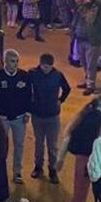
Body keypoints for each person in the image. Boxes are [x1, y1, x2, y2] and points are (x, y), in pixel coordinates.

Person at [58, 95, 101, 202]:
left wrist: (60, 159)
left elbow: (68, 136)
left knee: (79, 192)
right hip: (95, 159)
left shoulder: (83, 116)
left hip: (82, 159)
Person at [0, 49, 31, 184]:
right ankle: (0, 172)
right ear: (5, 61)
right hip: (2, 118)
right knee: (1, 145)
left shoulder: (24, 75)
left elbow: (29, 95)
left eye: (17, 61)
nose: (16, 64)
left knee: (19, 145)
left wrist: (28, 112)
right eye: (12, 61)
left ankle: (17, 172)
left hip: (19, 117)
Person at [29, 52, 71, 183]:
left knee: (52, 145)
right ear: (40, 64)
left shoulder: (57, 75)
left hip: (52, 114)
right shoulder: (32, 73)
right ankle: (38, 167)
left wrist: (60, 100)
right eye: (44, 66)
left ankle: (52, 170)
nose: (46, 69)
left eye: (48, 67)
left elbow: (67, 89)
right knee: (39, 143)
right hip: (37, 113)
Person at [72, 0, 101, 95]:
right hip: (79, 38)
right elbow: (70, 3)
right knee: (83, 62)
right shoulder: (81, 6)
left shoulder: (98, 8)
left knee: (91, 64)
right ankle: (87, 80)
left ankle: (90, 85)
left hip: (92, 40)